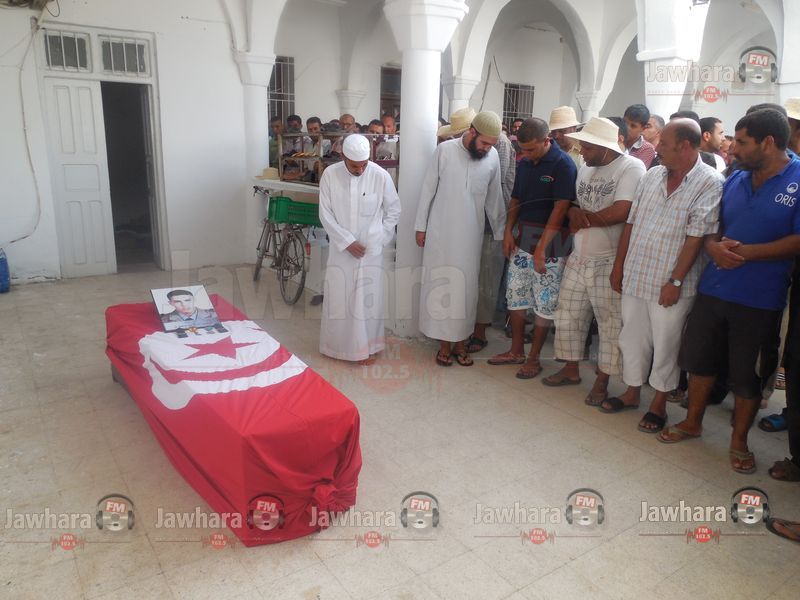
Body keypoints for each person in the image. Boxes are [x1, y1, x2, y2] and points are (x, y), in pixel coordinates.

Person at [658, 109, 800, 475]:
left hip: (760, 298)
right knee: (700, 361)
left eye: (742, 142)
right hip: (715, 287)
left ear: (768, 143)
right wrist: (713, 246)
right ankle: (693, 422)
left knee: (747, 375)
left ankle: (739, 441)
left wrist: (749, 253)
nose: (733, 149)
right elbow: (712, 224)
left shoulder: (797, 179)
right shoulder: (735, 177)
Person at [609, 119, 723, 431]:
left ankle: (659, 404)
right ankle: (632, 391)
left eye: (664, 145)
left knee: (666, 344)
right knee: (632, 337)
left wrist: (675, 281)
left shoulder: (710, 182)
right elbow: (631, 222)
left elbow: (695, 237)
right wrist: (619, 266)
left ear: (685, 146)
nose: (657, 149)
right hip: (637, 272)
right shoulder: (652, 175)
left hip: (671, 283)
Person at [543, 117, 646, 405]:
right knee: (568, 315)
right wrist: (576, 213)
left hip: (609, 259)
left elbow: (622, 211)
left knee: (610, 323)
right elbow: (576, 206)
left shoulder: (631, 167)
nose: (582, 152)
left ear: (604, 147)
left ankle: (603, 381)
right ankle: (571, 369)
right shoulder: (587, 168)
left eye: (587, 147)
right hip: (580, 256)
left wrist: (583, 219)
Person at [487, 118, 577, 378]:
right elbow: (516, 198)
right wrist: (508, 232)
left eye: (531, 149)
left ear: (547, 141)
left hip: (553, 244)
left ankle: (534, 358)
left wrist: (542, 249)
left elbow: (561, 208)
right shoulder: (525, 163)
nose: (525, 154)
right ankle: (516, 350)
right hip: (523, 238)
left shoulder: (564, 164)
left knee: (544, 302)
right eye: (522, 149)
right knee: (515, 295)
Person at [415, 111, 505, 366]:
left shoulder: (492, 157)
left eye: (492, 144)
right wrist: (420, 226)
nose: (487, 148)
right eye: (484, 143)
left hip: (471, 236)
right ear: (472, 132)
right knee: (441, 285)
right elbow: (427, 189)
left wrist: (500, 232)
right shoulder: (445, 151)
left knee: (466, 289)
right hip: (441, 234)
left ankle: (461, 344)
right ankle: (444, 345)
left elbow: (494, 198)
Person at [318, 134, 401, 363]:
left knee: (368, 300)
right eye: (355, 166)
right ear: (343, 157)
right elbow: (325, 213)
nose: (360, 170)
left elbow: (394, 209)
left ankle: (368, 347)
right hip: (341, 251)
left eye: (364, 164)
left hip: (370, 251)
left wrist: (380, 237)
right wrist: (347, 242)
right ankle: (336, 348)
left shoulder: (380, 175)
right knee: (340, 298)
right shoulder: (330, 175)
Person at [467, 120, 517, 354]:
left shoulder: (500, 145)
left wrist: (503, 231)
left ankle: (479, 332)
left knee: (486, 281)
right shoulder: (460, 146)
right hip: (470, 225)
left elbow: (498, 184)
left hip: (492, 224)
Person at [623, 104, 657, 168]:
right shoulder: (615, 138)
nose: (627, 128)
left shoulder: (647, 148)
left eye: (633, 126)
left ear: (643, 129)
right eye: (624, 122)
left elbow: (635, 170)